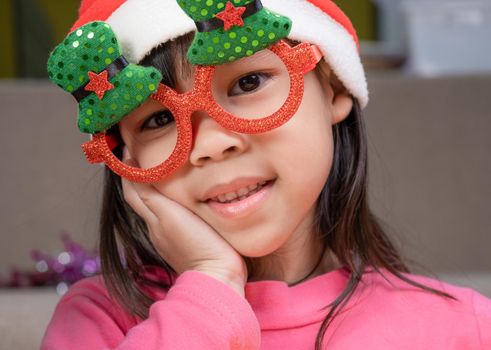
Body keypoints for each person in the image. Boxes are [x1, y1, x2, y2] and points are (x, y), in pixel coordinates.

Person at [41, 0, 491, 349]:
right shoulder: (98, 322)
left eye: (248, 83)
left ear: (332, 86)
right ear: (129, 161)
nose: (212, 144)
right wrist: (210, 281)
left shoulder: (465, 329)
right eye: (158, 121)